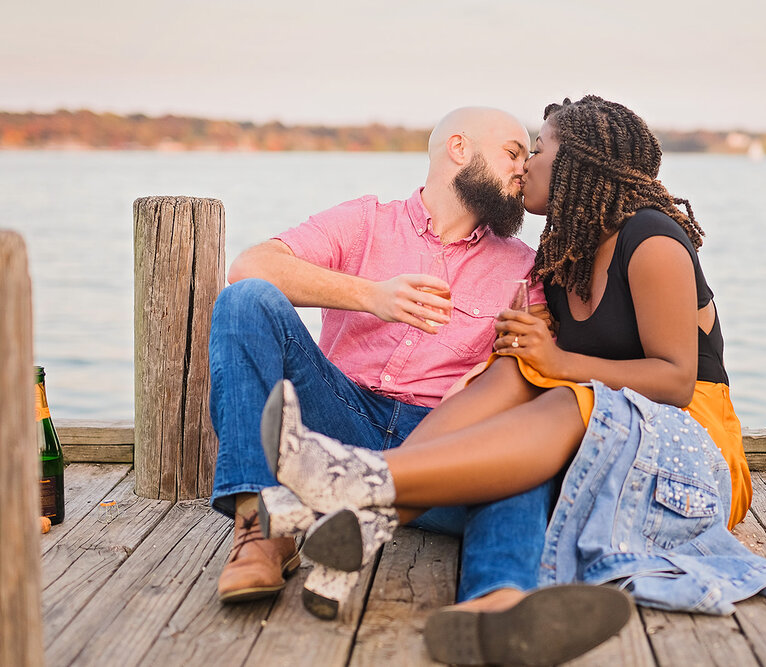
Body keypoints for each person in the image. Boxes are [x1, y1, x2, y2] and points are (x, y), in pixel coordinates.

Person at [260, 95, 752, 665]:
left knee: (562, 388)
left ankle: (356, 485)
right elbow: (532, 363)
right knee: (518, 368)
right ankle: (392, 529)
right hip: (609, 443)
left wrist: (559, 362)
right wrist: (502, 360)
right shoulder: (564, 254)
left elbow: (675, 382)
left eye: (538, 148)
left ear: (578, 162)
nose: (526, 164)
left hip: (694, 459)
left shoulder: (653, 240)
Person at [209, 106, 566, 618]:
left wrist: (490, 369)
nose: (522, 168)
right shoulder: (366, 221)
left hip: (440, 447)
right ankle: (262, 530)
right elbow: (251, 267)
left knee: (521, 459)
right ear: (459, 149)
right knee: (245, 302)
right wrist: (371, 296)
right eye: (512, 152)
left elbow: (529, 363)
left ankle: (496, 600)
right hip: (334, 423)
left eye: (528, 156)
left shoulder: (524, 265)